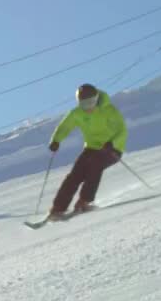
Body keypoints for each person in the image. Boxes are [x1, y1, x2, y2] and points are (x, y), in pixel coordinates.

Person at [46, 83, 127, 216]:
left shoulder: (108, 110)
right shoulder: (77, 113)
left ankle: (85, 201)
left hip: (112, 149)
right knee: (75, 175)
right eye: (84, 104)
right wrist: (56, 140)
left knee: (95, 165)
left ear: (96, 99)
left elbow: (121, 130)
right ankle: (58, 208)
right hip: (91, 148)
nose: (88, 107)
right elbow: (65, 127)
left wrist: (112, 143)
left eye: (91, 103)